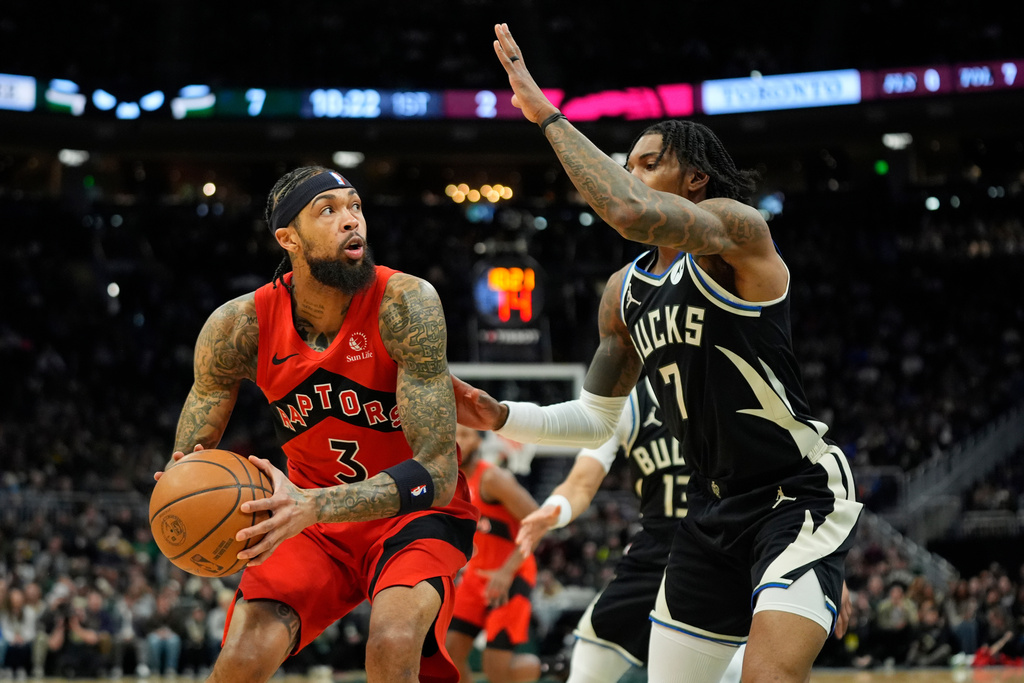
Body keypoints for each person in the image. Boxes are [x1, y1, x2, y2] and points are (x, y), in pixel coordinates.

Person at [454, 23, 864, 683]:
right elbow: (596, 419)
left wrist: (547, 115)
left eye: (649, 163)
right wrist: (501, 414)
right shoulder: (622, 293)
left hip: (794, 495)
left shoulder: (737, 233)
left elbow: (626, 209)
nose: (632, 174)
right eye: (630, 165)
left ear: (695, 176)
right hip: (708, 510)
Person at [156, 165, 478, 683]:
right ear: (289, 238)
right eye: (327, 210)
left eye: (355, 206)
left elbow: (437, 475)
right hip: (308, 522)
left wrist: (312, 506)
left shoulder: (405, 303)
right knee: (240, 660)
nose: (351, 220)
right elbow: (193, 448)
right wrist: (180, 487)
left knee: (393, 642)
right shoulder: (239, 326)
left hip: (411, 515)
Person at [515, 375, 743, 683]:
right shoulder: (631, 402)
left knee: (728, 671)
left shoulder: (729, 386)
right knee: (587, 666)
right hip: (655, 550)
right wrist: (554, 509)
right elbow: (581, 482)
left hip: (716, 550)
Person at [446, 425, 542, 683]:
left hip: (511, 575)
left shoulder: (491, 479)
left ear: (480, 441)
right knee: (450, 655)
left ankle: (547, 668)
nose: (457, 440)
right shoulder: (451, 482)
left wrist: (506, 572)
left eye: (465, 434)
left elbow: (538, 521)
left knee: (496, 670)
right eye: (453, 433)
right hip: (476, 576)